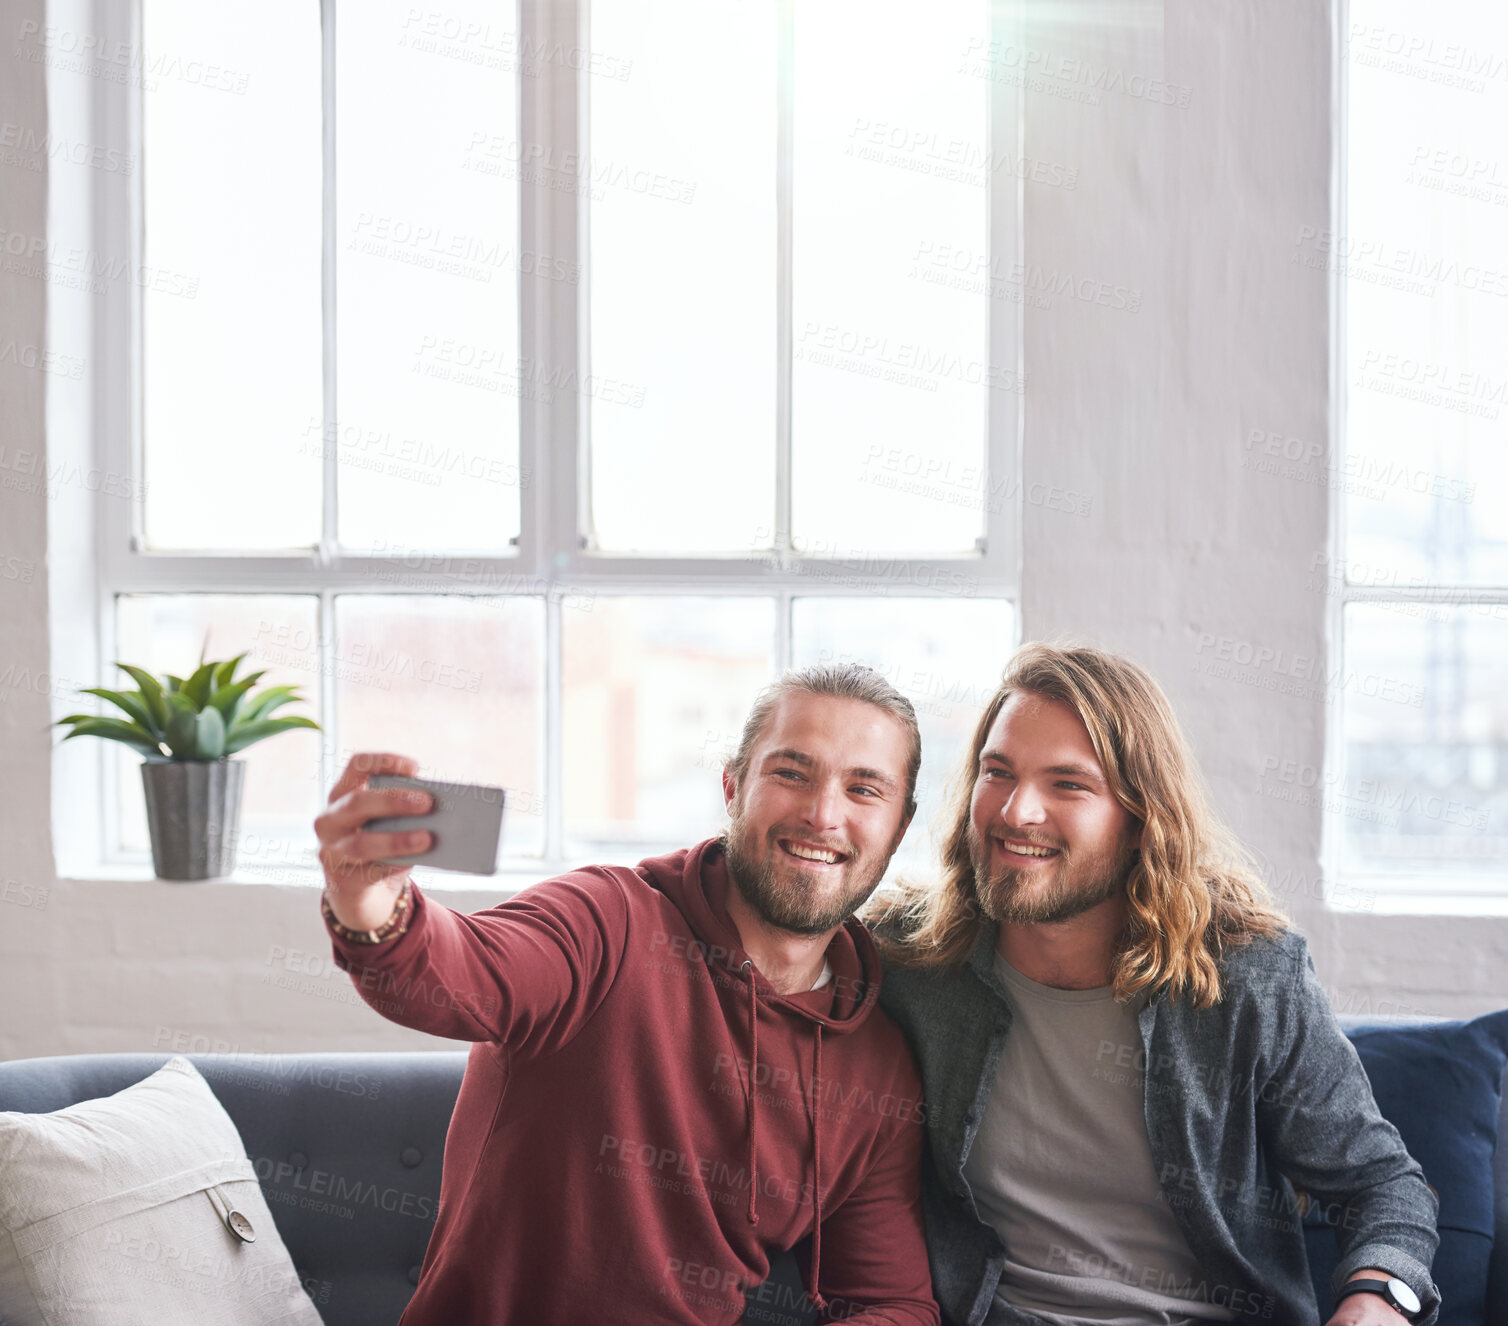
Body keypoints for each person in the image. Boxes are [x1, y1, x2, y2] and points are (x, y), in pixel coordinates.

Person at [315, 663, 940, 1326]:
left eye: (864, 790)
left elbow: (893, 1303)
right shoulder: (607, 920)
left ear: (899, 827)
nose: (823, 814)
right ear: (733, 787)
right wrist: (368, 899)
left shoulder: (876, 1065)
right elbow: (457, 974)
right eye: (791, 773)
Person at [869, 643, 1439, 1326]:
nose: (1017, 812)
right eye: (999, 772)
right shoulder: (913, 959)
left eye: (1068, 784)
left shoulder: (1247, 978)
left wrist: (1378, 1302)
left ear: (1142, 820)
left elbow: (1383, 1188)